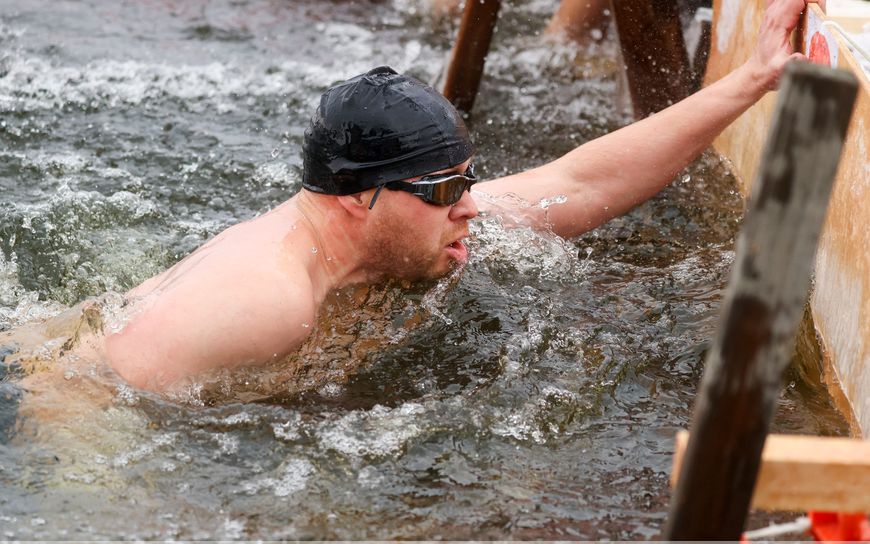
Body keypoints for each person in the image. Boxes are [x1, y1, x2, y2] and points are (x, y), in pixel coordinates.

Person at [103, 0, 813, 392]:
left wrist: (752, 78)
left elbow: (580, 182)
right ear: (356, 197)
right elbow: (84, 394)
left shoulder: (399, 224)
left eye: (467, 182)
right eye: (445, 189)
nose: (469, 206)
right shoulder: (269, 299)